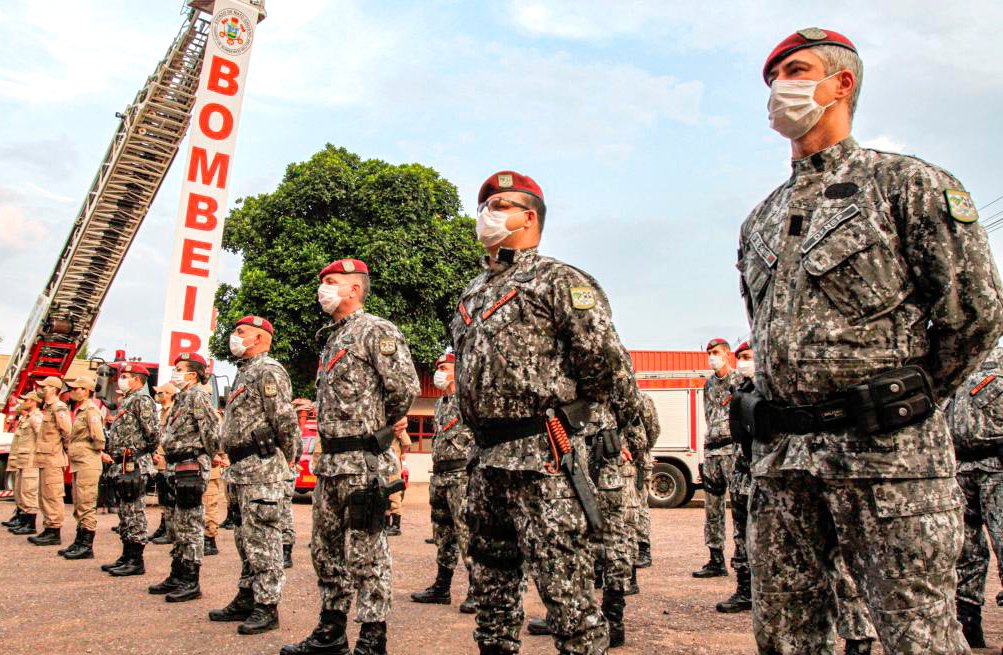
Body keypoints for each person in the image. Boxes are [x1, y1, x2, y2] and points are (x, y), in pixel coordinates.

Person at [735, 27, 1003, 654]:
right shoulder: (762, 218)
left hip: (888, 462)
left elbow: (974, 314)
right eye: (771, 78)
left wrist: (908, 397)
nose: (779, 88)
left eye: (795, 71)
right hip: (785, 467)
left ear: (841, 84)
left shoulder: (907, 185)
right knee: (786, 641)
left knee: (917, 638)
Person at [451, 171, 642, 654]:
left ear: (528, 216)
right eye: (485, 205)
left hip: (544, 457)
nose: (487, 215)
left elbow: (604, 363)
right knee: (492, 595)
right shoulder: (473, 294)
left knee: (567, 596)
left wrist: (578, 422)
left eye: (500, 205)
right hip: (486, 460)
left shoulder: (558, 280)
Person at [281, 258, 420, 655]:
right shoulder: (332, 338)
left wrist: (378, 429)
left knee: (367, 552)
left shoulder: (376, 331)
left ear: (355, 289)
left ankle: (373, 638)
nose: (322, 287)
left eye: (332, 281)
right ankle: (331, 632)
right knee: (325, 550)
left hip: (364, 463)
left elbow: (404, 388)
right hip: (330, 464)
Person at [209, 316, 300, 636]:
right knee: (244, 539)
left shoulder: (268, 371)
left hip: (262, 468)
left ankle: (267, 605)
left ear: (260, 338)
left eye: (240, 332)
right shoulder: (244, 372)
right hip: (240, 469)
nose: (234, 337)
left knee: (264, 540)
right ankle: (247, 596)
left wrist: (287, 458)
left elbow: (285, 421)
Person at [148, 352, 220, 602]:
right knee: (177, 523)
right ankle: (177, 573)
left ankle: (191, 580)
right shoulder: (182, 398)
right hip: (175, 464)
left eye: (179, 369)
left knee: (190, 524)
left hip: (191, 464)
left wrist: (208, 457)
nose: (175, 373)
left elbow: (212, 432)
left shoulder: (198, 396)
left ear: (192, 374)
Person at [410, 349, 477, 613]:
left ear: (457, 371)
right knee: (443, 533)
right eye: (437, 367)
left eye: (444, 368)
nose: (438, 372)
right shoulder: (441, 404)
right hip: (439, 475)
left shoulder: (467, 400)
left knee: (466, 533)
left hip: (461, 475)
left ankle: (477, 590)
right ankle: (441, 587)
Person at [946, 346, 1003, 649]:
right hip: (957, 466)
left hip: (998, 466)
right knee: (963, 551)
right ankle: (970, 628)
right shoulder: (949, 360)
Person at [99, 364, 160, 576]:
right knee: (125, 512)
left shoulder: (142, 401)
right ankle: (126, 555)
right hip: (122, 463)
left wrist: (140, 453)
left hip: (134, 463)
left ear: (136, 380)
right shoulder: (127, 401)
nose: (121, 380)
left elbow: (153, 433)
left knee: (134, 511)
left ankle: (136, 559)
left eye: (125, 376)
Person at [693, 339, 742, 579]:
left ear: (727, 354)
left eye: (716, 353)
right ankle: (715, 559)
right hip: (712, 451)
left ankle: (744, 559)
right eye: (709, 353)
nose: (712, 357)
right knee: (712, 508)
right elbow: (708, 415)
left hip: (733, 451)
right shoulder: (708, 384)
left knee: (740, 507)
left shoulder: (740, 382)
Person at [58, 377, 106, 560]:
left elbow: (99, 438)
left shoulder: (91, 410)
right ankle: (79, 541)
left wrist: (90, 451)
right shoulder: (80, 409)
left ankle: (86, 545)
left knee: (86, 503)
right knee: (78, 503)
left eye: (76, 388)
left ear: (86, 391)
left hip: (87, 462)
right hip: (79, 462)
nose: (72, 391)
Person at [27, 376, 71, 546]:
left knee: (53, 495)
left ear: (53, 389)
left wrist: (69, 453)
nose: (40, 389)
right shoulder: (48, 408)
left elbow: (67, 433)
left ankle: (54, 531)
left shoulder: (59, 408)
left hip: (53, 459)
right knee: (45, 495)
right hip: (45, 459)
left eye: (44, 386)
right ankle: (48, 528)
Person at [6, 393, 41, 535]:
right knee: (21, 491)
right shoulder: (27, 417)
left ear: (33, 402)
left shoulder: (36, 418)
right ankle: (23, 519)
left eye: (26, 400)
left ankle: (30, 524)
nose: (23, 402)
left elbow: (41, 437)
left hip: (31, 461)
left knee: (29, 492)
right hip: (23, 460)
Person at [151, 382, 178, 545]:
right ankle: (165, 526)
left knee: (171, 495)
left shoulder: (174, 411)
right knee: (163, 495)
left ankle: (171, 530)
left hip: (169, 458)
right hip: (160, 458)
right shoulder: (162, 412)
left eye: (161, 393)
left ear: (169, 394)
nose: (159, 396)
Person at [385, 422, 411, 537]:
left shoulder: (397, 425)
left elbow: (406, 442)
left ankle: (396, 526)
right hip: (383, 465)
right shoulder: (384, 424)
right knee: (384, 495)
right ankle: (385, 524)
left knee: (394, 495)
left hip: (393, 466)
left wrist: (402, 454)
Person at [203, 448, 228, 557]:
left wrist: (217, 455)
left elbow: (217, 441)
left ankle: (209, 539)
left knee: (209, 505)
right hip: (192, 468)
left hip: (209, 469)